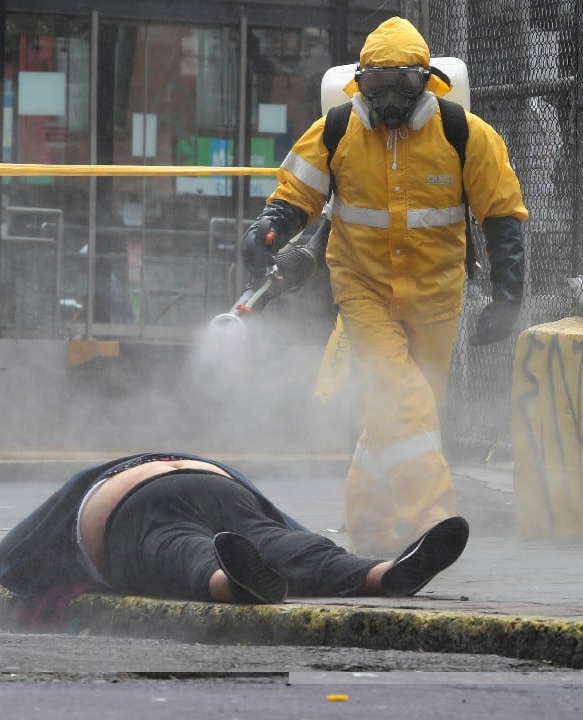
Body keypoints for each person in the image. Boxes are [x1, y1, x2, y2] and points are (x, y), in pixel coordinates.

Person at [241, 17, 528, 556]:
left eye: (404, 86)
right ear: (359, 84)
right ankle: (434, 523)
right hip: (363, 289)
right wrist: (269, 227)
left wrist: (508, 293)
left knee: (403, 413)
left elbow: (502, 213)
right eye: (376, 88)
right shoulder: (336, 131)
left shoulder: (465, 134)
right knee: (403, 398)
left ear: (428, 82)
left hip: (437, 296)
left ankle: (369, 525)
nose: (391, 100)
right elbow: (296, 195)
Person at [0, 451, 469, 604]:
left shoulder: (94, 479)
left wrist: (73, 577)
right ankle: (380, 573)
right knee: (286, 545)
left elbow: (7, 562)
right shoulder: (191, 459)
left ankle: (230, 583)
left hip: (132, 504)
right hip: (224, 486)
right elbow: (280, 525)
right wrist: (329, 554)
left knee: (177, 551)